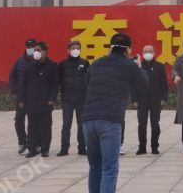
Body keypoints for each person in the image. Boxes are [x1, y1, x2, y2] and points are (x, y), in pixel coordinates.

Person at [82, 32, 148, 193]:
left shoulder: (97, 63)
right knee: (109, 168)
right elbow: (144, 83)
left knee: (94, 167)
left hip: (88, 120)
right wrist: (139, 66)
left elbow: (86, 83)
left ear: (111, 48)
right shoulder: (129, 65)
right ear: (128, 50)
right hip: (110, 121)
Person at [17, 41, 59, 158]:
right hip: (31, 101)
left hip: (46, 101)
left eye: (38, 50)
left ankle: (45, 149)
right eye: (35, 50)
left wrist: (52, 99)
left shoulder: (52, 65)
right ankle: (32, 148)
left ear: (45, 52)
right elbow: (23, 84)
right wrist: (21, 99)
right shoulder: (30, 66)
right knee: (32, 126)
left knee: (45, 126)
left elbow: (55, 84)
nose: (36, 52)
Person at [131, 45, 168, 155]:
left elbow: (164, 85)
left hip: (156, 100)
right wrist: (134, 99)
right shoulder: (138, 66)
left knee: (155, 124)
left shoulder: (160, 66)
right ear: (142, 53)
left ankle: (154, 147)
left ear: (154, 53)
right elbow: (133, 84)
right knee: (142, 124)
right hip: (142, 100)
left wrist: (163, 98)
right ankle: (142, 147)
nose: (148, 53)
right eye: (145, 51)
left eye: (150, 51)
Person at [57, 40, 90, 156]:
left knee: (82, 125)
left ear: (80, 50)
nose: (75, 50)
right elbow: (59, 81)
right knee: (66, 125)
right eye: (73, 48)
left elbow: (89, 80)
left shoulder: (85, 63)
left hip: (82, 99)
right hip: (68, 99)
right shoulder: (63, 64)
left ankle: (82, 148)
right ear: (68, 50)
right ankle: (64, 148)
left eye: (77, 48)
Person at [9, 38, 36, 154]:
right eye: (29, 47)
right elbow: (12, 76)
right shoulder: (19, 62)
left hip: (35, 96)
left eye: (33, 47)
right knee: (19, 120)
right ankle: (22, 142)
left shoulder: (38, 61)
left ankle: (33, 143)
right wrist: (16, 90)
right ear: (26, 48)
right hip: (21, 96)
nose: (31, 49)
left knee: (34, 121)